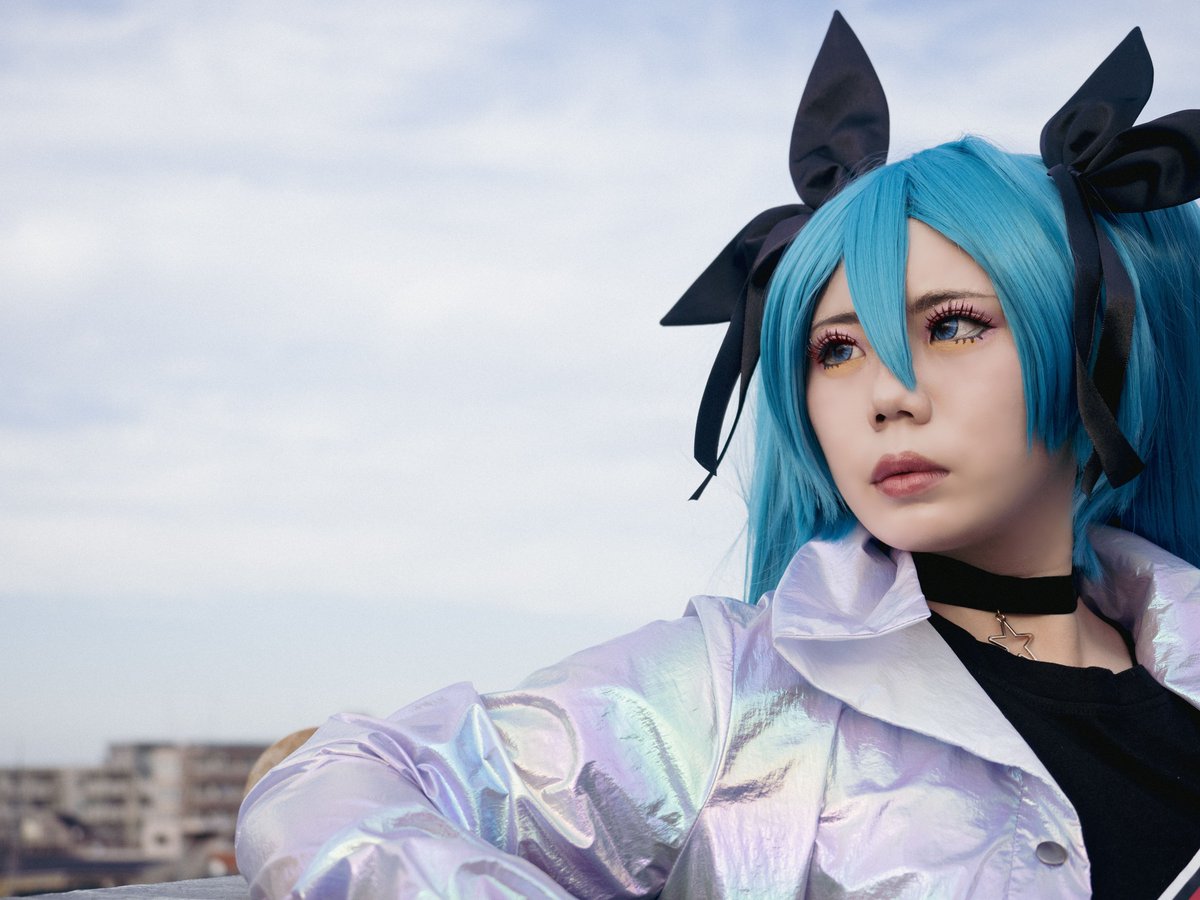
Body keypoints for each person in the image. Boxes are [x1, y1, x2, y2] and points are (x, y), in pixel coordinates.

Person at [235, 15, 1200, 899]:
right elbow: (336, 787)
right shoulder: (730, 696)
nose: (886, 394)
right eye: (834, 349)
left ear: (1098, 349)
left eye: (951, 326)